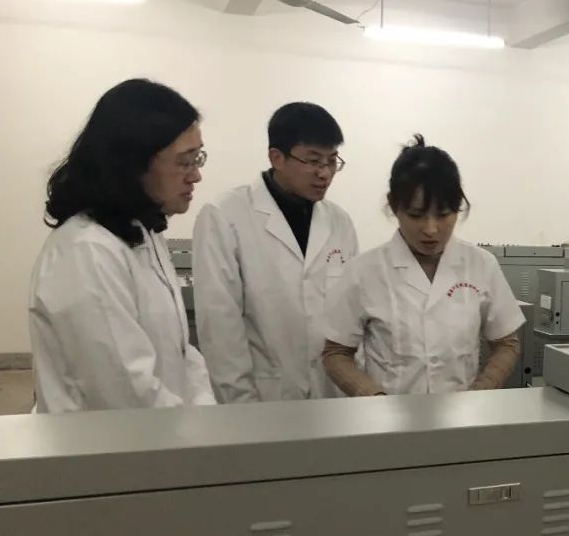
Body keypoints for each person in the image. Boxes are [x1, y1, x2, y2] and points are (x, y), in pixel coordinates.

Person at [29, 79, 215, 413]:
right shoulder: (87, 250)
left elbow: (182, 353)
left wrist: (205, 414)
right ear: (133, 163)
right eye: (184, 161)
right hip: (110, 441)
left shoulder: (144, 234)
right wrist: (195, 431)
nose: (195, 175)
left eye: (197, 158)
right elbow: (124, 389)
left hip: (163, 434)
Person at [321, 136, 524, 395]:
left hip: (460, 414)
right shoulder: (364, 271)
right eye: (416, 215)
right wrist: (374, 397)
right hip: (388, 415)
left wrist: (482, 390)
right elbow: (336, 352)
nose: (431, 229)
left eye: (443, 214)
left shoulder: (481, 264)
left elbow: (507, 343)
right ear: (394, 206)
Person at [192, 103, 358, 403]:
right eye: (313, 161)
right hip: (262, 396)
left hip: (332, 394)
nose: (324, 173)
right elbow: (220, 326)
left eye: (332, 161)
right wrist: (239, 404)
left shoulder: (339, 222)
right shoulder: (225, 215)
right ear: (276, 157)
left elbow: (350, 315)